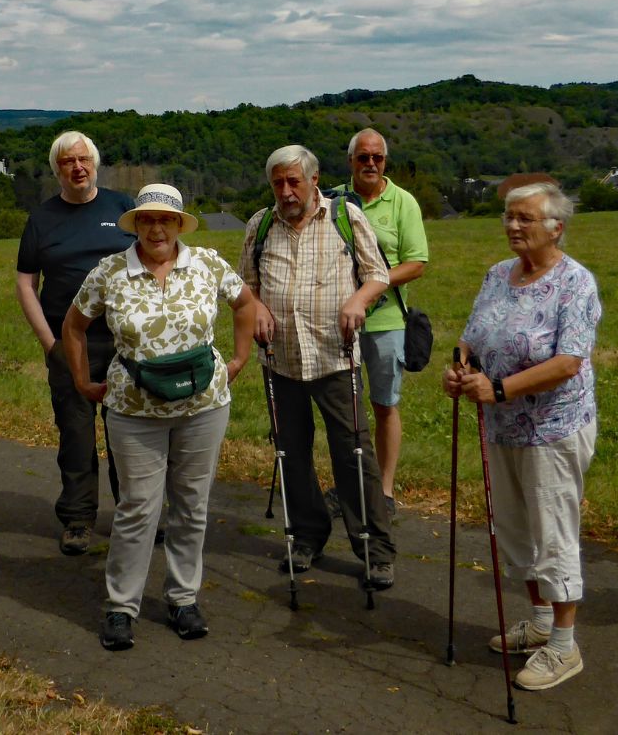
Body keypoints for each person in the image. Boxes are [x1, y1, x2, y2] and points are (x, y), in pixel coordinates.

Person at [62, 184, 253, 650]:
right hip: (133, 410)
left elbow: (245, 303)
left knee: (192, 505)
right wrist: (83, 381)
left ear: (178, 224)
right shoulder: (109, 272)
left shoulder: (207, 263)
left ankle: (183, 599)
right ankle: (121, 607)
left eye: (165, 220)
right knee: (138, 508)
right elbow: (74, 324)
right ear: (136, 225)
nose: (156, 228)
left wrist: (239, 360)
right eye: (147, 220)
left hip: (203, 408)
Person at [443, 181, 601, 691]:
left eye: (525, 219)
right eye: (509, 217)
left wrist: (500, 387)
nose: (513, 226)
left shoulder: (576, 283)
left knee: (553, 532)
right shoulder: (496, 275)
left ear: (556, 227)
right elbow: (472, 337)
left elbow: (568, 361)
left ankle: (563, 645)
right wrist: (461, 368)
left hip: (553, 428)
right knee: (514, 529)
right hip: (502, 425)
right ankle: (538, 620)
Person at [237, 145, 397, 592]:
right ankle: (308, 535)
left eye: (294, 182)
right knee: (292, 453)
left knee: (354, 454)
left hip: (335, 357)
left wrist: (358, 300)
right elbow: (244, 286)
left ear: (314, 180)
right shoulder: (261, 224)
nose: (286, 192)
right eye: (278, 184)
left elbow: (378, 274)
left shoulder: (345, 218)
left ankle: (374, 549)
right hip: (281, 360)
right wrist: (256, 309)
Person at [16, 131, 135, 556]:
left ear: (95, 163)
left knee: (129, 433)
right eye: (68, 162)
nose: (77, 167)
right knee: (77, 434)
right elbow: (26, 283)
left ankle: (134, 514)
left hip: (126, 342)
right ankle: (78, 519)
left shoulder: (123, 208)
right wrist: (50, 343)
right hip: (70, 344)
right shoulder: (42, 219)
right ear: (57, 170)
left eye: (83, 159)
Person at [323, 128, 427, 518]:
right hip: (338, 321)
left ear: (385, 162)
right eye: (363, 157)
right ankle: (348, 484)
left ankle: (383, 491)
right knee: (343, 409)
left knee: (384, 405)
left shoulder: (402, 202)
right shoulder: (332, 200)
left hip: (385, 321)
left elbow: (417, 263)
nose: (370, 164)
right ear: (350, 161)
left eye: (377, 158)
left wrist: (372, 284)